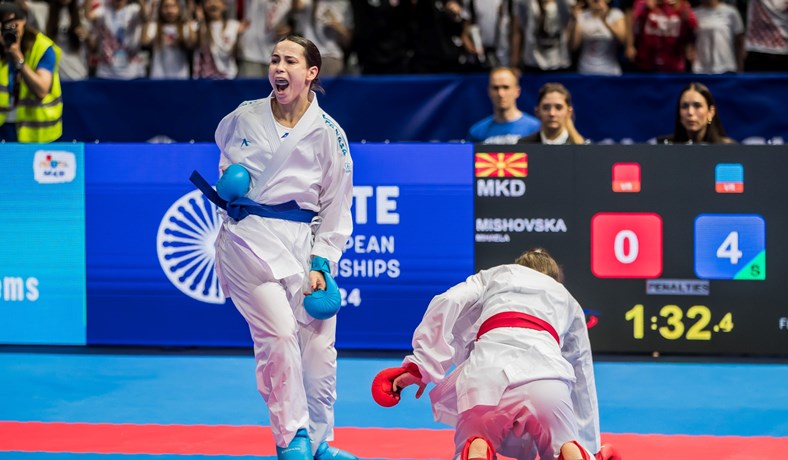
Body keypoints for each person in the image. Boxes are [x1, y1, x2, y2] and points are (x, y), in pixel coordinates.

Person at [203, 35, 357, 460]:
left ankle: (322, 441)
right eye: (274, 59)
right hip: (246, 239)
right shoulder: (243, 117)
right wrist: (229, 187)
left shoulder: (329, 134)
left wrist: (322, 260)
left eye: (290, 60)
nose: (278, 67)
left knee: (319, 346)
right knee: (280, 334)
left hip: (299, 245)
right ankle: (292, 438)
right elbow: (224, 159)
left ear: (311, 73)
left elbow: (336, 204)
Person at [372, 247, 618, 460]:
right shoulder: (567, 299)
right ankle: (570, 450)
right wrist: (590, 446)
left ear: (519, 266)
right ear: (554, 278)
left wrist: (421, 367)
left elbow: (448, 300)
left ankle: (478, 445)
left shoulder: (496, 275)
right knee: (562, 445)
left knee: (475, 438)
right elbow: (581, 370)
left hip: (486, 378)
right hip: (547, 381)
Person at [0, 0, 62, 143]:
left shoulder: (42, 47)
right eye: (4, 25)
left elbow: (41, 90)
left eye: (13, 23)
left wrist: (18, 58)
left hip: (35, 131)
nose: (9, 29)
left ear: (24, 21)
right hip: (4, 127)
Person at [467, 67, 540, 144]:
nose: (500, 94)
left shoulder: (535, 128)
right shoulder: (477, 132)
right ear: (489, 91)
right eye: (495, 88)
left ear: (517, 91)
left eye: (506, 87)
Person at [657, 82, 735, 144]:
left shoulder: (729, 149)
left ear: (711, 112)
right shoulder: (663, 146)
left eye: (697, 106)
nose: (690, 112)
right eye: (685, 106)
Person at [518, 82, 585, 145]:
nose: (552, 113)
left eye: (558, 108)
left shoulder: (582, 147)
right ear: (537, 111)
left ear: (569, 112)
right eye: (546, 108)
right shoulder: (522, 145)